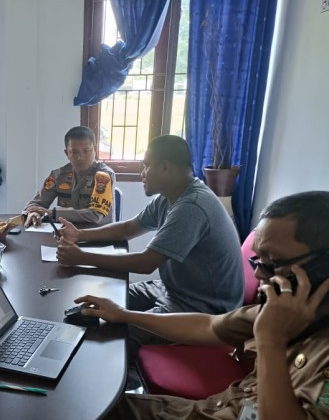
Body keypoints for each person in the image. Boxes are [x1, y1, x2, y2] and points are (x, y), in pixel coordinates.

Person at [63, 191, 329, 420]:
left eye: (275, 262)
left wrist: (271, 342)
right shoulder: (292, 303)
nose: (261, 276)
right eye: (259, 261)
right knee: (110, 412)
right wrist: (125, 315)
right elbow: (209, 326)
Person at [57, 134, 244, 345]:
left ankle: (128, 375)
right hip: (173, 289)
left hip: (203, 308)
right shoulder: (170, 196)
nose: (142, 173)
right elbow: (128, 228)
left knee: (112, 336)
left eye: (146, 166)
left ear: (165, 168)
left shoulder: (192, 206)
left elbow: (146, 263)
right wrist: (80, 235)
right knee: (107, 299)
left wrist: (81, 256)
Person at [23, 126, 115, 227]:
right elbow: (34, 204)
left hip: (98, 235)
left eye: (86, 151)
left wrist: (52, 213)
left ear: (95, 150)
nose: (81, 157)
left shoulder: (104, 175)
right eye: (74, 152)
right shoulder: (58, 175)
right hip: (65, 234)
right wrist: (34, 213)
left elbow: (95, 215)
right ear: (67, 153)